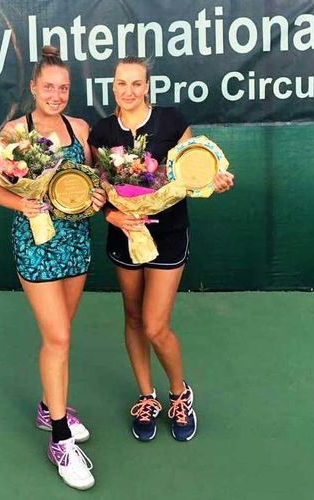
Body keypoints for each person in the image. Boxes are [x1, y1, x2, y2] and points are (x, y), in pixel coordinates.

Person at [89, 56, 234, 443]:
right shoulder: (102, 131)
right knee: (133, 317)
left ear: (147, 86)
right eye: (122, 83)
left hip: (168, 234)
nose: (129, 91)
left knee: (155, 325)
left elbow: (195, 174)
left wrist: (215, 181)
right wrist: (112, 215)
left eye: (136, 83)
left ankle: (179, 393)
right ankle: (146, 396)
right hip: (124, 235)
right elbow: (95, 188)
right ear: (113, 86)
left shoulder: (172, 121)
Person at [0, 46, 105, 490]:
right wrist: (22, 203)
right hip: (35, 244)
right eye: (49, 87)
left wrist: (98, 195)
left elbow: (91, 180)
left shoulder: (80, 128)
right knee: (58, 338)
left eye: (64, 88)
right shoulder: (16, 131)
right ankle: (59, 439)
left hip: (75, 242)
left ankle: (46, 408)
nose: (56, 95)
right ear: (33, 87)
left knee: (62, 333)